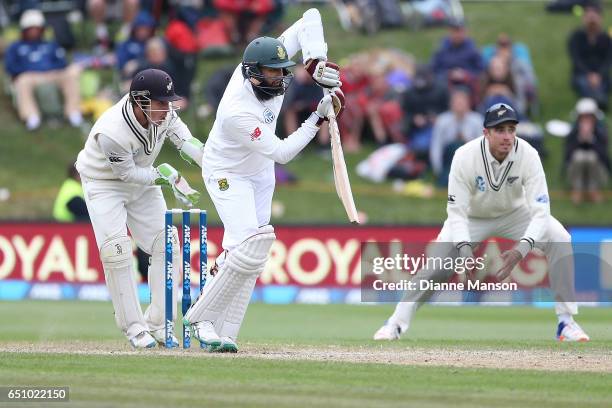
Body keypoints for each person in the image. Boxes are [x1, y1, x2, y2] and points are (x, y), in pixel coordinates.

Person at [182, 8, 343, 353]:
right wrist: (317, 117)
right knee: (243, 243)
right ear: (253, 73)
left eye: (284, 71)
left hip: (258, 170)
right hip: (227, 171)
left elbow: (310, 17)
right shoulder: (238, 111)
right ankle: (201, 318)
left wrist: (316, 60)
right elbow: (283, 153)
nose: (280, 79)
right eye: (273, 72)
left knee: (255, 248)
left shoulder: (273, 71)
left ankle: (224, 331)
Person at [373, 103, 590, 343]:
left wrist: (521, 249)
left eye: (511, 129)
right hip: (472, 218)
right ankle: (395, 324)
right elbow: (456, 211)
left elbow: (541, 211)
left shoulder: (528, 154)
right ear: (486, 133)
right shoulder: (465, 156)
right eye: (500, 130)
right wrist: (465, 248)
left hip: (516, 213)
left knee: (560, 238)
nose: (507, 136)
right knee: (435, 268)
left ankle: (566, 322)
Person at [75, 68, 204, 349]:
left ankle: (158, 323)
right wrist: (167, 176)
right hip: (104, 183)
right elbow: (127, 175)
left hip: (144, 178)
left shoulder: (164, 112)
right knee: (117, 250)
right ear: (140, 101)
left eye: (168, 101)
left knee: (167, 244)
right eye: (160, 102)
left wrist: (210, 164)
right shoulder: (112, 132)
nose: (166, 108)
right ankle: (134, 328)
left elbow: (184, 139)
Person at [4, 9, 82, 131]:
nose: (34, 31)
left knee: (71, 73)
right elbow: (10, 67)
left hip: (52, 74)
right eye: (31, 28)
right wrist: (29, 70)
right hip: (29, 76)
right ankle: (31, 116)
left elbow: (62, 62)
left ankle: (73, 113)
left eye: (37, 27)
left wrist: (48, 69)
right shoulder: (16, 46)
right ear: (24, 29)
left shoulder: (50, 44)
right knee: (22, 81)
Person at [430, 88, 483, 186]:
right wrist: (437, 169)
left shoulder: (477, 120)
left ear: (468, 104)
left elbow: (482, 146)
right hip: (449, 160)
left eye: (462, 102)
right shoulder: (442, 120)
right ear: (451, 104)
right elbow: (436, 146)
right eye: (457, 102)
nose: (459, 105)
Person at [564, 98, 610, 204]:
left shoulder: (601, 131)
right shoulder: (573, 132)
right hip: (575, 168)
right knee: (579, 156)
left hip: (598, 169)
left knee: (591, 157)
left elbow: (604, 154)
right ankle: (577, 189)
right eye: (583, 117)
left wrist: (591, 139)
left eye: (589, 117)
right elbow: (567, 154)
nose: (586, 120)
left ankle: (593, 189)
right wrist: (579, 138)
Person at [567, 0, 611, 110]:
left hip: (601, 75)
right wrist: (589, 75)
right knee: (583, 83)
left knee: (602, 84)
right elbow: (576, 59)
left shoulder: (606, 39)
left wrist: (599, 75)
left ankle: (594, 100)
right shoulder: (576, 37)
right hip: (582, 74)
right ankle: (597, 101)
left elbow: (608, 60)